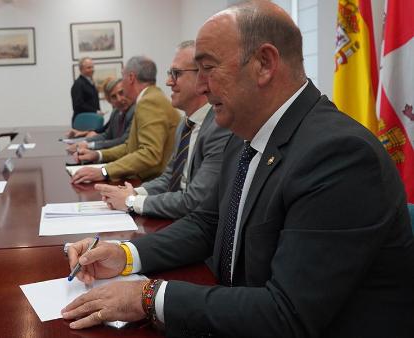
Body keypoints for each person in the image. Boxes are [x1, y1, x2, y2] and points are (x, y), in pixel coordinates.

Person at [61, 2, 414, 337]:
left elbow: (287, 314)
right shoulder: (246, 134)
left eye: (208, 67)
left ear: (264, 63)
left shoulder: (339, 155)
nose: (199, 85)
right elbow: (208, 223)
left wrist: (148, 296)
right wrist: (124, 255)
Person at [95, 40, 231, 219]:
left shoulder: (220, 127)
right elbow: (169, 178)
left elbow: (195, 200)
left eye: (176, 73)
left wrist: (130, 201)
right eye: (169, 73)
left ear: (202, 77)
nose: (168, 82)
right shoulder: (185, 123)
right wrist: (133, 193)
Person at [71, 56, 180, 183]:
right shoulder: (151, 97)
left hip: (154, 183)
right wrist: (98, 155)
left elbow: (150, 154)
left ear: (131, 78)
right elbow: (130, 147)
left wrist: (104, 171)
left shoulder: (149, 101)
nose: (121, 82)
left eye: (123, 77)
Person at [67, 78, 135, 152]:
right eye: (113, 97)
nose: (119, 99)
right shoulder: (115, 112)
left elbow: (122, 142)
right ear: (109, 101)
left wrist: (89, 145)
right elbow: (106, 135)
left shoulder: (136, 111)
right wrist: (83, 142)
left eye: (121, 93)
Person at [71, 57, 100, 124]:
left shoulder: (90, 82)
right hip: (83, 122)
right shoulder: (78, 84)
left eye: (92, 67)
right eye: (89, 68)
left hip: (91, 119)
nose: (92, 69)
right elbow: (78, 105)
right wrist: (95, 111)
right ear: (81, 69)